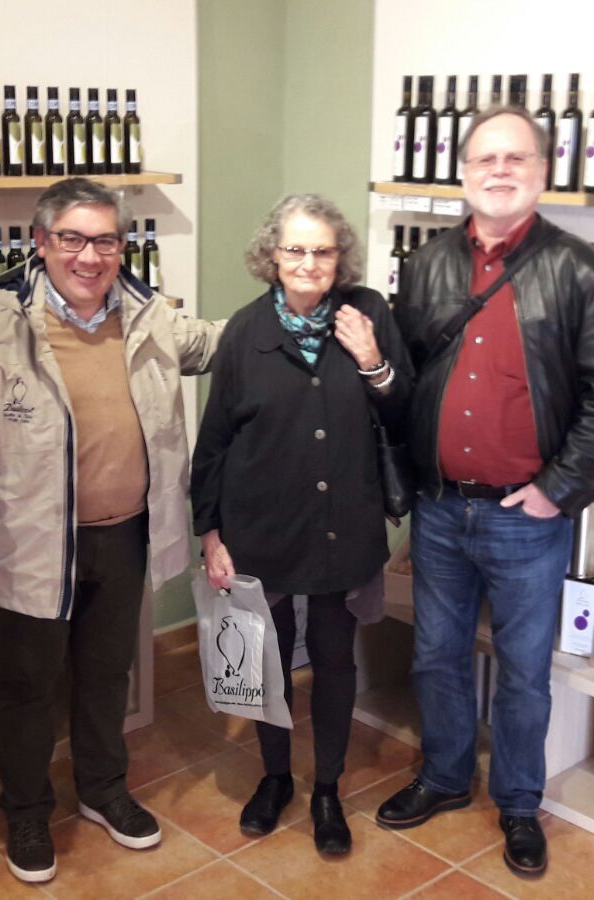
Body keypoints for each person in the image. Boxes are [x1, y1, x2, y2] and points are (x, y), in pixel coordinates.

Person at [0, 177, 224, 885]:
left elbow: (224, 343)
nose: (89, 257)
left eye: (105, 241)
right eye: (72, 239)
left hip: (124, 534)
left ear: (122, 247)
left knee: (106, 673)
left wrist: (303, 297)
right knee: (27, 684)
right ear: (41, 242)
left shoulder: (151, 317)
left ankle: (102, 788)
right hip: (32, 542)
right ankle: (26, 810)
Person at [376, 106, 594, 876]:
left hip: (528, 516)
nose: (499, 171)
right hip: (439, 506)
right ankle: (445, 776)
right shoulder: (427, 266)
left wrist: (557, 489)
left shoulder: (581, 270)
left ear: (542, 174)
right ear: (463, 173)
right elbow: (409, 381)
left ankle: (520, 803)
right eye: (485, 159)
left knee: (524, 670)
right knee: (436, 654)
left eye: (515, 158)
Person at [191, 194, 412, 855]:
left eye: (322, 250)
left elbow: (405, 410)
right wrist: (210, 532)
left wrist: (373, 362)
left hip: (344, 524)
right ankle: (276, 777)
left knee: (336, 661)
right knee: (268, 660)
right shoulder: (246, 331)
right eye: (295, 249)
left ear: (341, 257)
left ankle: (328, 789)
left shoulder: (367, 314)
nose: (309, 262)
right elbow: (215, 439)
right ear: (273, 255)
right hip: (263, 526)